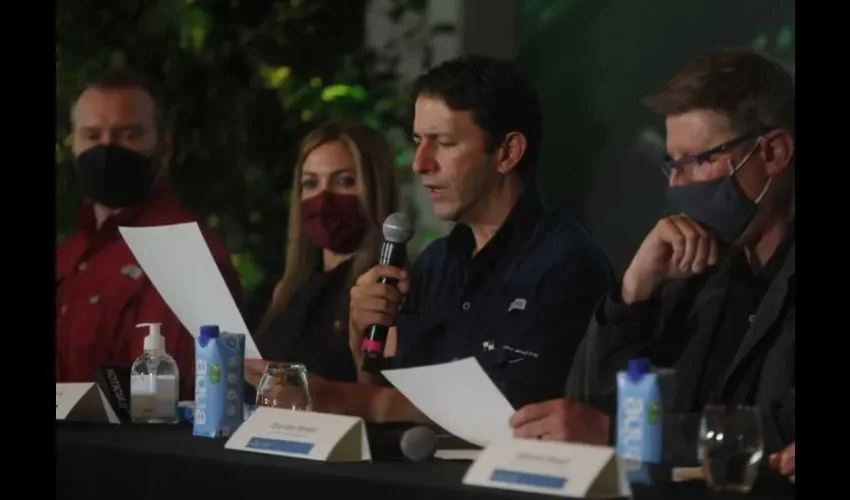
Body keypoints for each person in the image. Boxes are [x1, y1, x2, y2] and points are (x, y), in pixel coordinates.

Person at [512, 48, 796, 456]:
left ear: (773, 153)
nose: (679, 185)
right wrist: (633, 294)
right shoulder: (697, 271)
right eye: (672, 165)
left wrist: (623, 435)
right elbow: (590, 406)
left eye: (698, 161)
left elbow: (781, 430)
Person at [327, 54, 615, 421]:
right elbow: (400, 416)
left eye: (443, 142)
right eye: (418, 141)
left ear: (508, 152)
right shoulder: (434, 263)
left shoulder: (566, 264)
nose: (420, 163)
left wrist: (335, 398)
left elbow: (512, 416)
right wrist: (360, 338)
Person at [56, 68, 243, 400]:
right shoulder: (70, 255)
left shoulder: (188, 258)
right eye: (92, 135)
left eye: (129, 135)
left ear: (165, 146)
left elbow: (173, 403)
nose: (107, 149)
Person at [252, 120, 401, 384]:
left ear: (376, 188)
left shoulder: (389, 292)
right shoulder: (281, 293)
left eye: (344, 181)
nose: (323, 198)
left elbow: (384, 399)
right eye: (311, 183)